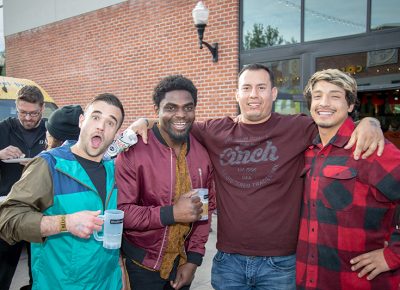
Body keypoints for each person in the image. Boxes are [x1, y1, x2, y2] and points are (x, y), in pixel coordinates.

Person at [129, 64, 384, 289]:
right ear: (236, 94)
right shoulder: (215, 131)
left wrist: (369, 122)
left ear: (273, 93)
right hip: (228, 261)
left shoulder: (297, 127)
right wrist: (143, 120)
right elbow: (176, 119)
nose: (253, 95)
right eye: (247, 88)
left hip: (281, 264)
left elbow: (334, 121)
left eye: (261, 88)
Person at [0, 93, 125, 290]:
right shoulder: (48, 164)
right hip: (59, 284)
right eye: (96, 117)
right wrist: (64, 223)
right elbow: (7, 219)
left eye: (111, 122)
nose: (101, 126)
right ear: (81, 121)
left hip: (108, 283)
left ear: (116, 133)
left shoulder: (115, 170)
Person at [296, 69, 400, 289]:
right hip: (310, 279)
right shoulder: (306, 149)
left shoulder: (369, 148)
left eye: (335, 96)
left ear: (350, 105)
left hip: (358, 282)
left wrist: (393, 255)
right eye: (317, 96)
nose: (324, 103)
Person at [115, 75, 216, 290]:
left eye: (188, 108)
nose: (180, 114)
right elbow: (122, 212)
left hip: (181, 264)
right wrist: (171, 213)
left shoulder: (202, 154)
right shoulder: (133, 152)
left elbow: (204, 213)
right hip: (141, 264)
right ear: (156, 110)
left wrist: (193, 260)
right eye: (170, 107)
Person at [0, 85, 46, 290]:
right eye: (22, 112)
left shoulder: (50, 129)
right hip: (8, 210)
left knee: (39, 270)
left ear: (42, 109)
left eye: (33, 113)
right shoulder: (3, 128)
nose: (28, 118)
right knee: (3, 269)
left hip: (40, 210)